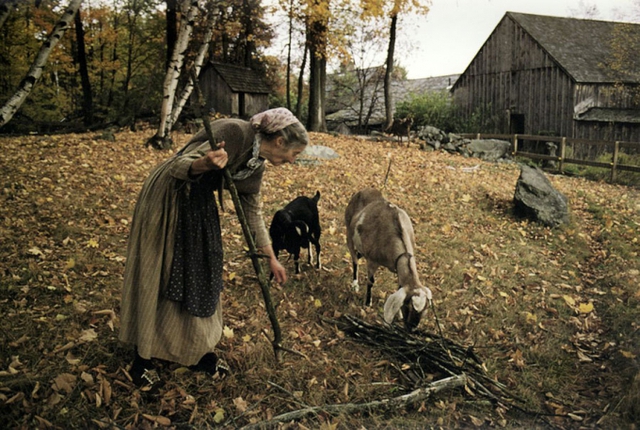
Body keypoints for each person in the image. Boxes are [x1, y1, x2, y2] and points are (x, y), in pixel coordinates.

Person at [119, 108, 309, 387]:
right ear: (280, 141)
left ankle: (195, 352)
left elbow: (253, 212)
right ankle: (142, 359)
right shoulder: (235, 132)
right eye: (295, 154)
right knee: (161, 271)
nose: (293, 161)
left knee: (199, 275)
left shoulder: (257, 163)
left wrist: (271, 257)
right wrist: (204, 164)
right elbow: (177, 166)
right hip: (170, 197)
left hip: (198, 206)